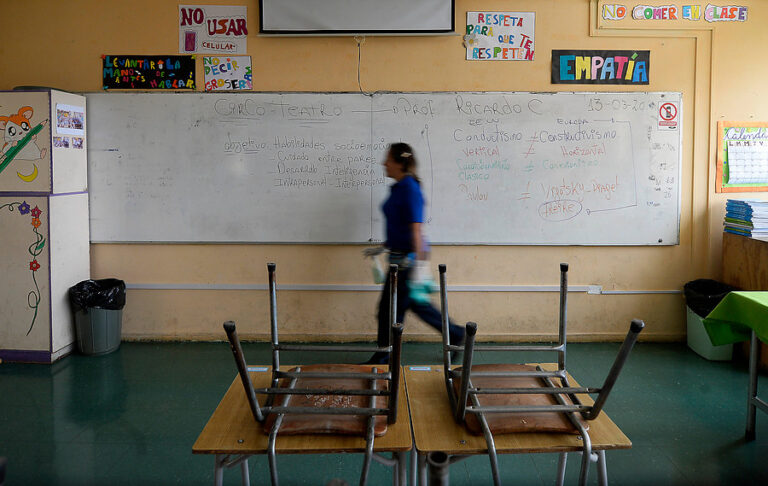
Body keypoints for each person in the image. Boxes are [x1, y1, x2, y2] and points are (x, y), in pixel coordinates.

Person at [364, 142, 464, 364]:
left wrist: (419, 267)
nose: (384, 163)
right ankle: (456, 333)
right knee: (415, 307)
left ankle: (383, 358)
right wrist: (383, 246)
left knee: (389, 313)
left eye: (388, 159)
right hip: (397, 260)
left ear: (399, 163)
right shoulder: (399, 188)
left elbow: (416, 229)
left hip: (406, 265)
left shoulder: (410, 189)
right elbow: (399, 226)